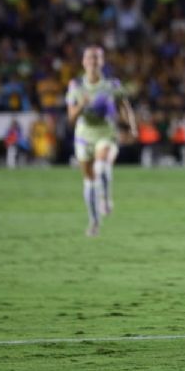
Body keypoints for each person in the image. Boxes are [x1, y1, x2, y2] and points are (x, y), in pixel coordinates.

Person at [66, 46, 137, 236]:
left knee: (102, 167)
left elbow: (125, 106)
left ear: (102, 62)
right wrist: (82, 104)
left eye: (96, 58)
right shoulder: (76, 86)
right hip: (83, 137)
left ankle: (105, 198)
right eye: (89, 58)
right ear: (83, 62)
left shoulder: (111, 85)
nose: (93, 61)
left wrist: (132, 127)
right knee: (89, 181)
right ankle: (94, 222)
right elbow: (71, 118)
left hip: (106, 133)